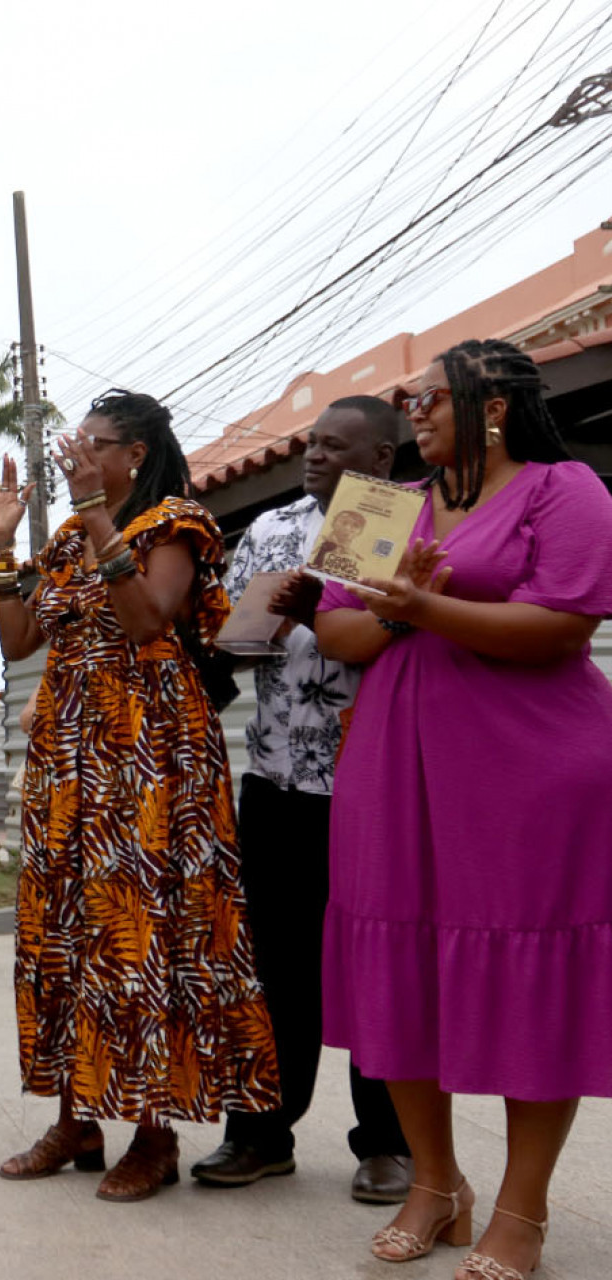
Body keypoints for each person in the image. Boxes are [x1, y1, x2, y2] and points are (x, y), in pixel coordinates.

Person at [312, 339, 612, 1280]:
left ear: (492, 403)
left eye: (428, 395)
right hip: (395, 763)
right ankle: (435, 1184)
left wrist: (426, 610)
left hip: (527, 766)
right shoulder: (381, 505)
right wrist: (406, 611)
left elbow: (565, 623)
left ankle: (522, 1212)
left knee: (530, 967)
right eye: (411, 397)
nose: (415, 411)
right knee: (395, 956)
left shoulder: (567, 490)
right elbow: (337, 629)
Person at [0, 389, 278, 1202]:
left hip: (151, 748)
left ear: (133, 455)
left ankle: (155, 1134)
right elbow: (18, 639)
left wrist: (95, 518)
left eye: (93, 444)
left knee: (147, 930)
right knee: (70, 926)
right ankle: (77, 1117)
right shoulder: (72, 535)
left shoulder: (177, 522)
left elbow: (149, 620)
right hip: (69, 754)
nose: (74, 456)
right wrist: (3, 545)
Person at [187, 396, 412, 1200]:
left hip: (370, 786)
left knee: (375, 966)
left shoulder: (403, 526)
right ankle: (260, 1134)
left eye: (335, 446)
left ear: (382, 460)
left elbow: (405, 641)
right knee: (274, 966)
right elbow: (235, 648)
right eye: (310, 443)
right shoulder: (272, 531)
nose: (313, 457)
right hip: (275, 785)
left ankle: (388, 1143)